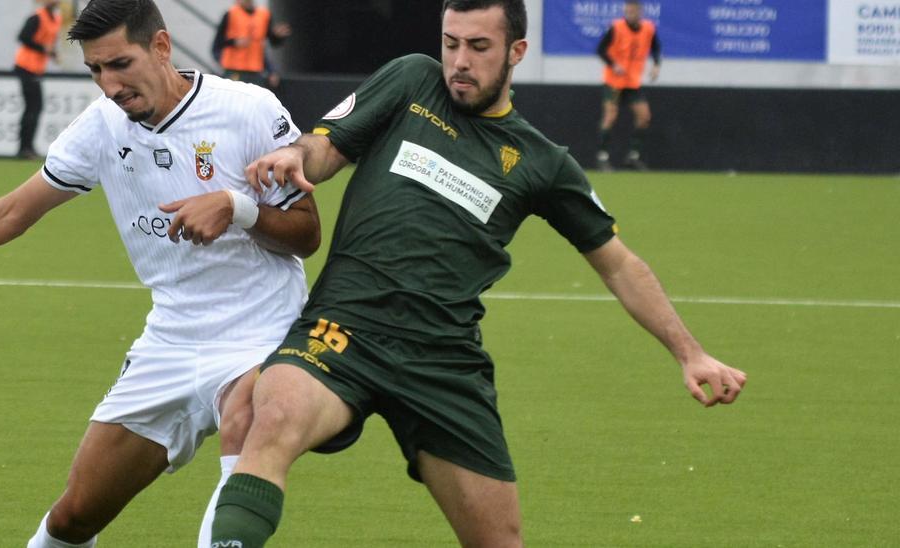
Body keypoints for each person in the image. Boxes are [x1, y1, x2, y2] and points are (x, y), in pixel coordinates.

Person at [208, 1, 746, 546]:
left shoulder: (543, 162)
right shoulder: (412, 79)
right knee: (268, 420)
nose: (459, 61)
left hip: (442, 361)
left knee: (499, 540)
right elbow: (324, 149)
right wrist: (299, 154)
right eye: (451, 43)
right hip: (343, 327)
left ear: (517, 52)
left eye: (479, 47)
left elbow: (620, 265)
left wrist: (689, 352)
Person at [0, 1, 318, 547]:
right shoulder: (100, 128)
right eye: (96, 70)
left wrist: (235, 207)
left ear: (161, 47)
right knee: (74, 517)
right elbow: (10, 214)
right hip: (172, 337)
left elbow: (306, 234)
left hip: (262, 332)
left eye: (120, 64)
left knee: (246, 409)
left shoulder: (248, 109)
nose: (110, 85)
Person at [595, 0, 660, 172]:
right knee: (610, 116)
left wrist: (656, 65)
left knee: (644, 116)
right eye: (627, 11)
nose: (630, 14)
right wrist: (613, 64)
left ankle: (633, 156)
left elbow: (656, 48)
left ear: (640, 12)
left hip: (632, 82)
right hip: (614, 81)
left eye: (633, 12)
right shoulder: (616, 27)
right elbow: (600, 49)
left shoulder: (648, 28)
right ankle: (602, 156)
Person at [14, 0, 64, 159]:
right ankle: (24, 148)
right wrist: (43, 49)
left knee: (34, 108)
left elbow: (48, 42)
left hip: (37, 68)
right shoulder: (37, 17)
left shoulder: (56, 18)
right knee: (33, 107)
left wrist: (52, 53)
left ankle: (27, 147)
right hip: (25, 66)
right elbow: (23, 37)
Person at [211, 0, 290, 87]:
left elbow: (272, 43)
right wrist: (234, 42)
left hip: (255, 70)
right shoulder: (230, 14)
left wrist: (277, 36)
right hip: (234, 69)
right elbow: (218, 43)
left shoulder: (264, 15)